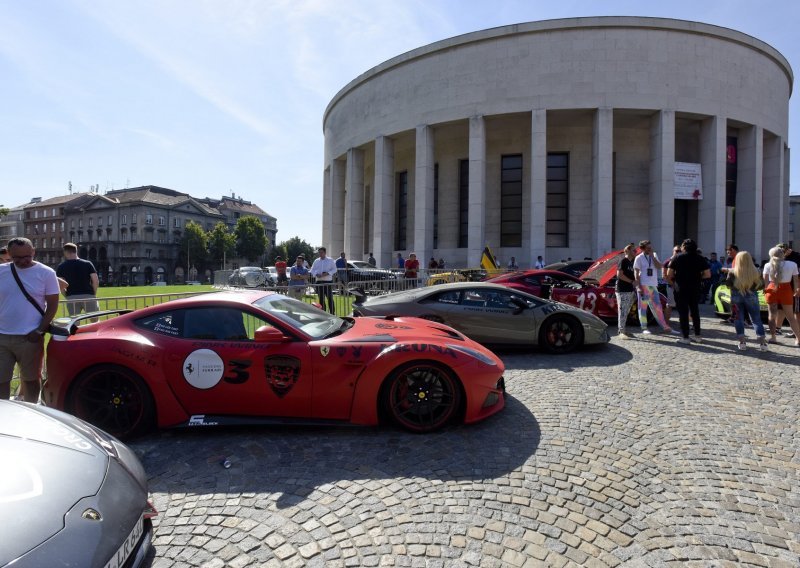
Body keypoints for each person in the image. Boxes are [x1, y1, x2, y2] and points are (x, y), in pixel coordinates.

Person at [0, 237, 60, 402]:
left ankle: (31, 415)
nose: (23, 261)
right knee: (1, 381)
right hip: (2, 337)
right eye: (17, 258)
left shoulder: (46, 273)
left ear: (33, 251)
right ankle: (4, 417)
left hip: (30, 337)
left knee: (32, 380)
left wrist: (40, 330)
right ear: (9, 254)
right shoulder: (1, 271)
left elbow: (53, 305)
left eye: (27, 256)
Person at [667, 239, 710, 344]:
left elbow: (669, 274)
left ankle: (685, 337)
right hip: (695, 288)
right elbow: (707, 274)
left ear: (684, 247)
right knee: (695, 311)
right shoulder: (700, 258)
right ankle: (697, 335)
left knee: (683, 312)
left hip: (681, 288)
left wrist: (674, 282)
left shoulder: (677, 257)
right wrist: (698, 278)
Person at [725, 251, 768, 351]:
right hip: (751, 296)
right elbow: (761, 285)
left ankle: (742, 342)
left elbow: (728, 284)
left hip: (736, 296)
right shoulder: (756, 271)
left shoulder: (732, 272)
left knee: (738, 319)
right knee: (756, 319)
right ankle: (762, 343)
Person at [633, 240, 676, 335]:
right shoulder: (638, 258)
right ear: (642, 248)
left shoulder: (654, 255)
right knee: (643, 307)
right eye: (648, 248)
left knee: (658, 307)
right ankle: (644, 327)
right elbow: (636, 273)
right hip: (643, 285)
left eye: (650, 247)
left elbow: (659, 266)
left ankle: (665, 326)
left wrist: (652, 256)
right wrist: (638, 287)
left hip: (653, 285)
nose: (650, 249)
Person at [762, 246, 800, 345]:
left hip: (771, 289)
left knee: (772, 315)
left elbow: (765, 281)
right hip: (786, 289)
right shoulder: (792, 264)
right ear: (783, 254)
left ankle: (773, 337)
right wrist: (796, 290)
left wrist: (766, 290)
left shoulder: (767, 265)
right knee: (791, 317)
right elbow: (796, 279)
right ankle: (798, 339)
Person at [56, 242, 99, 316]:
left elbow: (60, 285)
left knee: (74, 322)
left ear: (66, 252)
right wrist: (93, 293)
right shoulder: (88, 264)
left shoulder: (61, 267)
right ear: (76, 251)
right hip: (88, 295)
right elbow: (95, 281)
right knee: (95, 320)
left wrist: (67, 296)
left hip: (72, 296)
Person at [615, 243, 637, 339]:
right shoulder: (623, 260)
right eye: (634, 250)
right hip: (622, 289)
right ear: (627, 251)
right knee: (623, 310)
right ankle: (621, 331)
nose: (635, 252)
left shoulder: (632, 262)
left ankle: (623, 329)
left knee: (626, 310)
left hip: (630, 289)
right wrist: (632, 281)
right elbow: (619, 275)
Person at [310, 247, 337, 314]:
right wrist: (316, 274)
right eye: (319, 252)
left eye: (321, 252)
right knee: (321, 299)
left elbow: (334, 269)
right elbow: (312, 270)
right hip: (319, 281)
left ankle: (332, 313)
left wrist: (327, 273)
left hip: (328, 282)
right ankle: (323, 313)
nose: (320, 254)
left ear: (325, 253)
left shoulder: (330, 260)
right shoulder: (316, 261)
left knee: (330, 298)